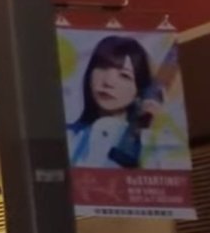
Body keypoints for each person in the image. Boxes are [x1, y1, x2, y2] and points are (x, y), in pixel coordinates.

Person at [68, 35, 185, 170]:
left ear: (139, 89)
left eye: (124, 75)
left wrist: (155, 131)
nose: (108, 82)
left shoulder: (153, 141)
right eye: (102, 67)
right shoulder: (69, 137)